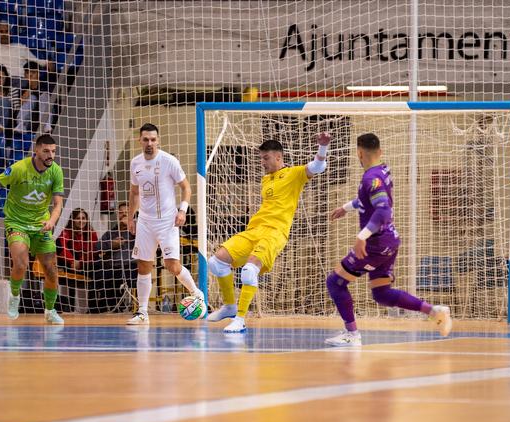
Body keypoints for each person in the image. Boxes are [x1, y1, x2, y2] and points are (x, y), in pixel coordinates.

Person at [324, 133, 452, 347]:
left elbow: (383, 210)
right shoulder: (383, 170)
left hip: (375, 244)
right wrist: (346, 208)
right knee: (382, 293)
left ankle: (352, 334)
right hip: (390, 241)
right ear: (380, 152)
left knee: (335, 282)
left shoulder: (369, 178)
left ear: (359, 152)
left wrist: (361, 236)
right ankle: (434, 311)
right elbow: (368, 200)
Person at [207, 133, 332, 333]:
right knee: (217, 261)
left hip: (275, 232)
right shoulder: (266, 179)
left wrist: (322, 147)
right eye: (261, 158)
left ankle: (240, 319)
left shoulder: (294, 174)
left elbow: (318, 167)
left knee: (249, 270)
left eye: (265, 158)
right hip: (255, 229)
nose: (262, 162)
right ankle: (229, 307)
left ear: (278, 157)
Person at [0, 134, 65, 325]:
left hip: (41, 224)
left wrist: (52, 221)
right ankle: (14, 297)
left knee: (51, 270)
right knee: (21, 263)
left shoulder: (56, 171)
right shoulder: (19, 168)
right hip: (17, 222)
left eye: (53, 151)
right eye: (46, 151)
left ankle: (50, 310)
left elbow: (58, 204)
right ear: (36, 150)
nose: (51, 155)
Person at [126, 123, 204, 325]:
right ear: (140, 141)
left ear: (158, 140)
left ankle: (196, 293)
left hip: (167, 221)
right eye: (145, 139)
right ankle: (142, 312)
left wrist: (183, 210)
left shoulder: (169, 161)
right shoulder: (135, 163)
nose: (149, 143)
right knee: (144, 266)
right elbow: (134, 193)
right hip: (144, 221)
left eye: (153, 139)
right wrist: (130, 217)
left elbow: (186, 188)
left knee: (172, 265)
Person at [91, 202, 137, 313]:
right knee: (100, 272)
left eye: (127, 213)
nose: (124, 215)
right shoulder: (110, 233)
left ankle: (138, 308)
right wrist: (111, 245)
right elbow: (97, 247)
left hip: (131, 266)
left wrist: (133, 229)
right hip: (112, 266)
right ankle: (102, 308)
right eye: (121, 213)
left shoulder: (137, 231)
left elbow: (145, 244)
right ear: (117, 215)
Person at [56, 208, 98, 312]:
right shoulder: (66, 232)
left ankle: (93, 308)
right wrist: (72, 261)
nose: (81, 221)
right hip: (68, 264)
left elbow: (92, 252)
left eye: (83, 218)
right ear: (72, 220)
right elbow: (62, 249)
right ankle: (67, 308)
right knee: (67, 270)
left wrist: (81, 262)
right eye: (77, 218)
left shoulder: (91, 233)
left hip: (84, 264)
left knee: (97, 269)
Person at [14, 61, 53, 134]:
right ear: (24, 75)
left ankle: (46, 125)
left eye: (33, 72)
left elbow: (49, 98)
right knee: (31, 98)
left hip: (47, 117)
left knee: (44, 95)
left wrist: (31, 90)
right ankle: (21, 125)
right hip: (30, 120)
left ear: (38, 74)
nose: (30, 75)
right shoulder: (22, 89)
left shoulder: (46, 85)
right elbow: (21, 104)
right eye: (28, 72)